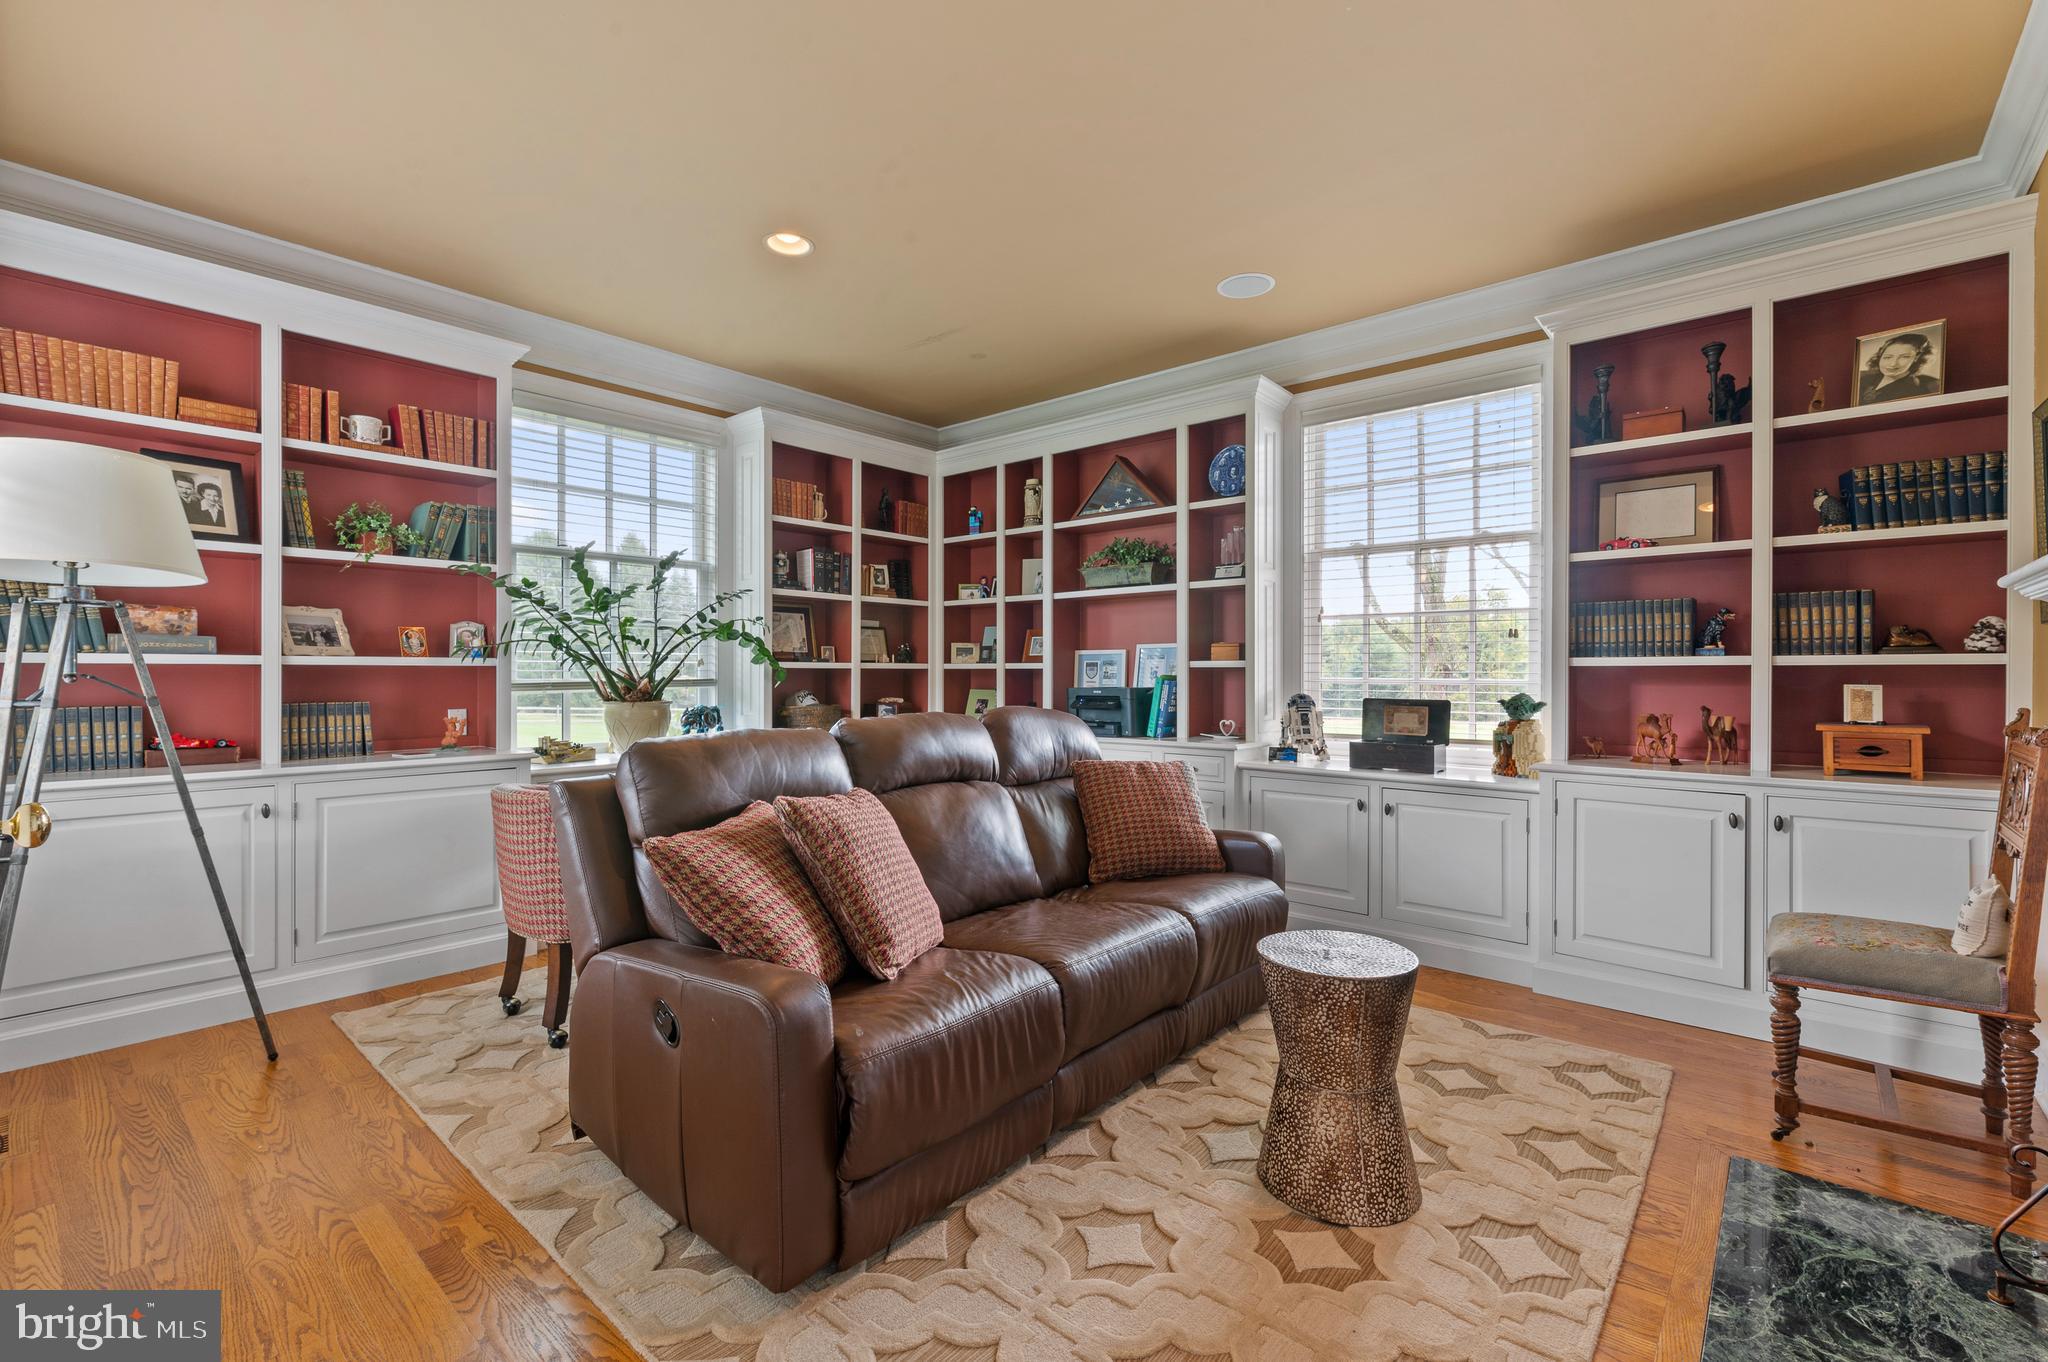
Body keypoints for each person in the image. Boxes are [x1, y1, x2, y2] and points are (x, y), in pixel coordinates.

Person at [1857, 331, 1940, 405]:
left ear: (1917, 359)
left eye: (1904, 357)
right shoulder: (1861, 377)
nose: (1893, 364)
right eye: (1888, 357)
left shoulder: (1916, 391)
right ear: (1880, 357)